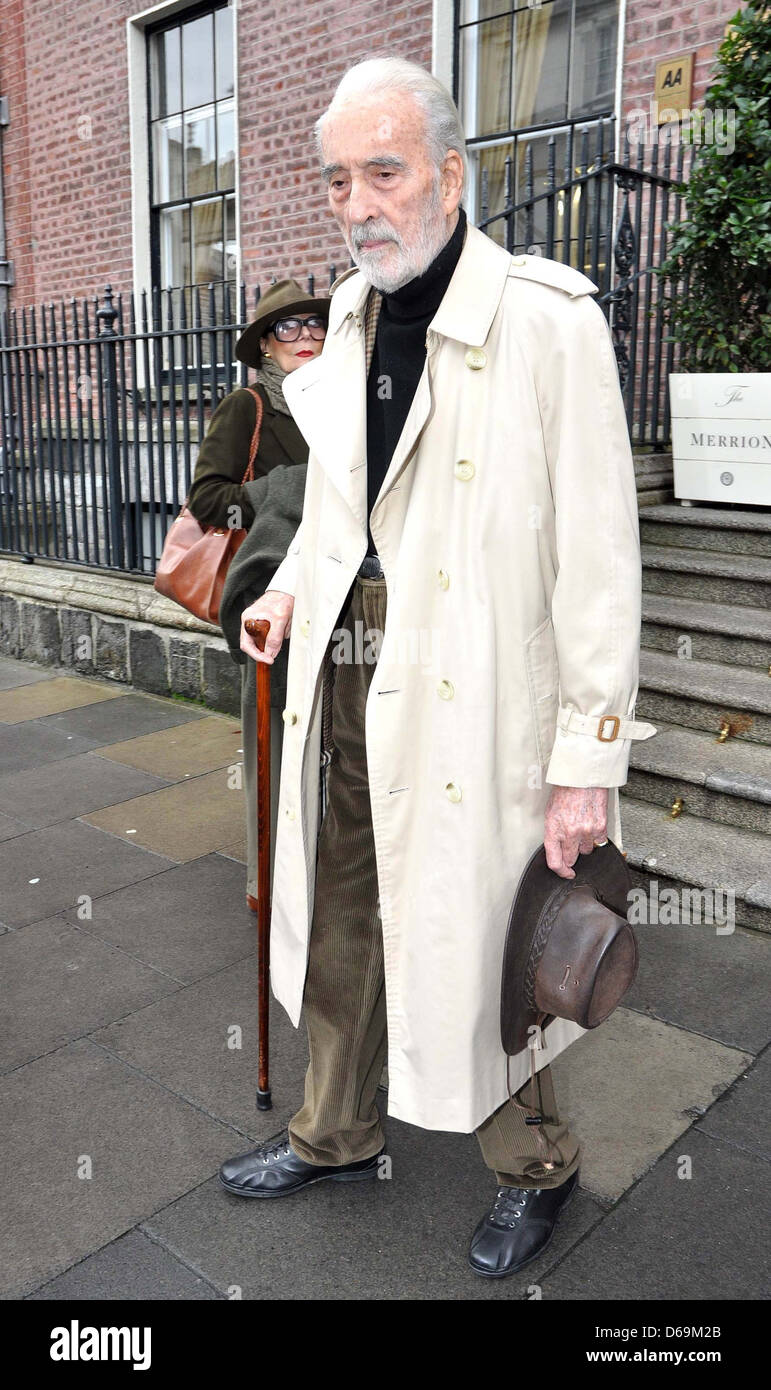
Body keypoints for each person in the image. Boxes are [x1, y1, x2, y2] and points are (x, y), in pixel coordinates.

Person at [219, 56, 652, 1281]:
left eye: (386, 172)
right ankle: (335, 1129)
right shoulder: (351, 318)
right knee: (344, 905)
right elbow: (337, 510)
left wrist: (589, 764)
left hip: (476, 700)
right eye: (339, 179)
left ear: (451, 175)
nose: (359, 203)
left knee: (494, 943)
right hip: (349, 673)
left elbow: (601, 564)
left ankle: (536, 1166)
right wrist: (293, 592)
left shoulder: (548, 322)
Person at [188, 280, 328, 911]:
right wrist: (285, 490)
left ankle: (326, 869)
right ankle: (265, 881)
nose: (306, 337)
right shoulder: (247, 407)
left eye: (315, 325)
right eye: (288, 328)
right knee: (270, 735)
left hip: (333, 590)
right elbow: (208, 498)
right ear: (267, 346)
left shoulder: (347, 399)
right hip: (266, 590)